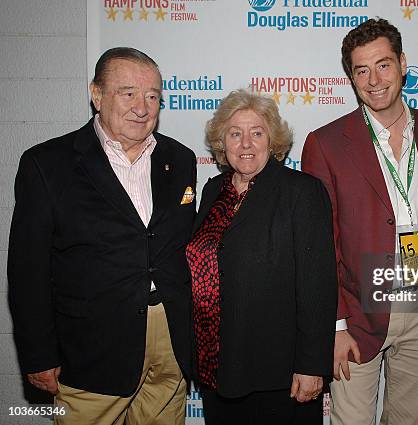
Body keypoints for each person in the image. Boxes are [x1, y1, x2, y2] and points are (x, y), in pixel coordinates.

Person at [7, 47, 196, 424]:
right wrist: (39, 355)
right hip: (91, 348)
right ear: (96, 94)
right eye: (127, 93)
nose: (142, 107)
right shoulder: (47, 164)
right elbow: (27, 271)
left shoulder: (181, 159)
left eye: (153, 95)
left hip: (171, 340)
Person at [301, 18, 418, 424]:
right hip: (358, 311)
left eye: (383, 65)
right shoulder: (326, 143)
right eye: (361, 70)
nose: (373, 80)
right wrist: (334, 326)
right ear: (350, 77)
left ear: (403, 63)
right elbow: (320, 244)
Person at [188, 89, 337, 425]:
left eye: (257, 133)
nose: (246, 143)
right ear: (221, 142)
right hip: (218, 368)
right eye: (235, 133)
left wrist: (312, 366)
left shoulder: (301, 192)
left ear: (273, 142)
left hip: (278, 375)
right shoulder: (213, 191)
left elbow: (318, 286)